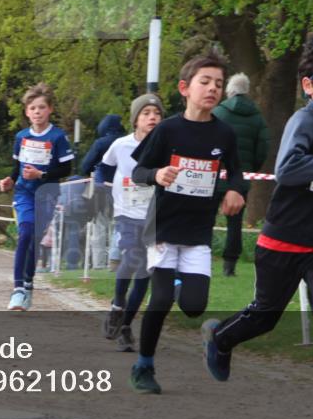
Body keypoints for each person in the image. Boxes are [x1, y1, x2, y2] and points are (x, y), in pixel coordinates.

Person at [200, 36, 313, 419]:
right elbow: (290, 169)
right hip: (283, 240)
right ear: (308, 84)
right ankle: (220, 337)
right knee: (265, 316)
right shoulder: (304, 121)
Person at [128, 51, 246, 394]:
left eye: (219, 84)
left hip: (198, 231)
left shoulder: (224, 134)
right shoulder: (167, 130)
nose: (212, 89)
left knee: (195, 308)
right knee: (161, 300)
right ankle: (143, 366)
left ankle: (183, 289)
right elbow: (138, 172)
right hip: (164, 227)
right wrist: (157, 173)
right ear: (185, 88)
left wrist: (235, 191)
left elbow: (236, 172)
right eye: (204, 82)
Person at [0, 83, 73, 311]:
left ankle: (28, 284)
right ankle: (18, 288)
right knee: (26, 232)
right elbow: (17, 166)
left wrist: (41, 174)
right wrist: (9, 179)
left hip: (47, 194)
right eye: (33, 108)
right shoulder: (21, 137)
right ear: (27, 112)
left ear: (50, 109)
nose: (37, 112)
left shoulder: (58, 137)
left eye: (42, 107)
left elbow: (66, 170)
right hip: (24, 193)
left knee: (34, 240)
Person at [98, 93, 164, 352]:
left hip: (154, 215)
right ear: (136, 119)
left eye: (157, 114)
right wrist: (100, 188)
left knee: (145, 273)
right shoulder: (120, 145)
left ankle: (125, 324)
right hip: (125, 212)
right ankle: (117, 305)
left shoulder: (165, 146)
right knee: (132, 258)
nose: (152, 118)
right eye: (146, 113)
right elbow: (103, 167)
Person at [212, 72, 269, 276]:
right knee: (235, 223)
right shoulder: (257, 117)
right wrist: (251, 168)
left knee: (206, 218)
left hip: (215, 175)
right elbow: (263, 145)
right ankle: (230, 265)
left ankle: (199, 259)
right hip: (241, 176)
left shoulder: (218, 112)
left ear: (229, 90)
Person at [80, 114, 125, 269]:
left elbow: (85, 166)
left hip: (101, 189)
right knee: (119, 225)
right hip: (123, 189)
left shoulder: (100, 143)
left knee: (100, 225)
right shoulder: (126, 142)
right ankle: (116, 260)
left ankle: (99, 264)